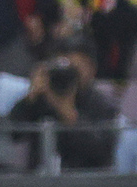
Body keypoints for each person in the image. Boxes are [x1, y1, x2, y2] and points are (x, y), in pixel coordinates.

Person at [7, 40, 119, 171]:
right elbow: (13, 133)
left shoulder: (103, 105)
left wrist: (68, 113)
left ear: (91, 69)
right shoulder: (42, 99)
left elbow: (100, 151)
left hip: (86, 181)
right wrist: (31, 97)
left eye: (75, 68)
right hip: (41, 180)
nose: (69, 75)